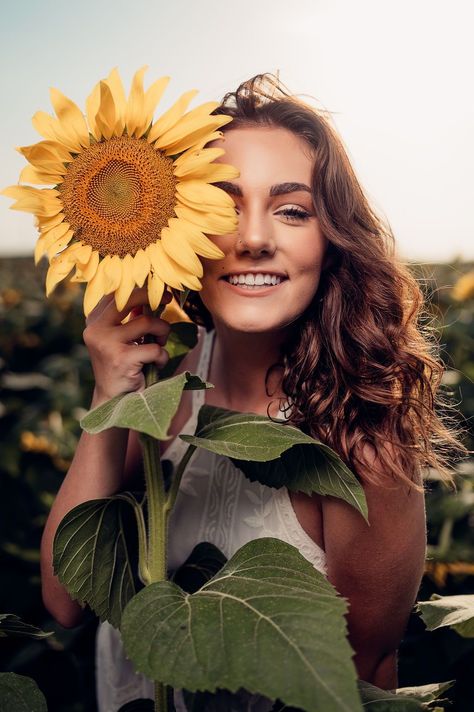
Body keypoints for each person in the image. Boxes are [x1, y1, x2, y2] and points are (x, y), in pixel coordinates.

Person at [40, 74, 466, 710]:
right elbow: (68, 598)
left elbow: (361, 673)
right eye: (223, 206)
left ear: (332, 240)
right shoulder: (167, 380)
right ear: (172, 228)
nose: (254, 238)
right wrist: (114, 391)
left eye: (293, 210)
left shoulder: (357, 433)